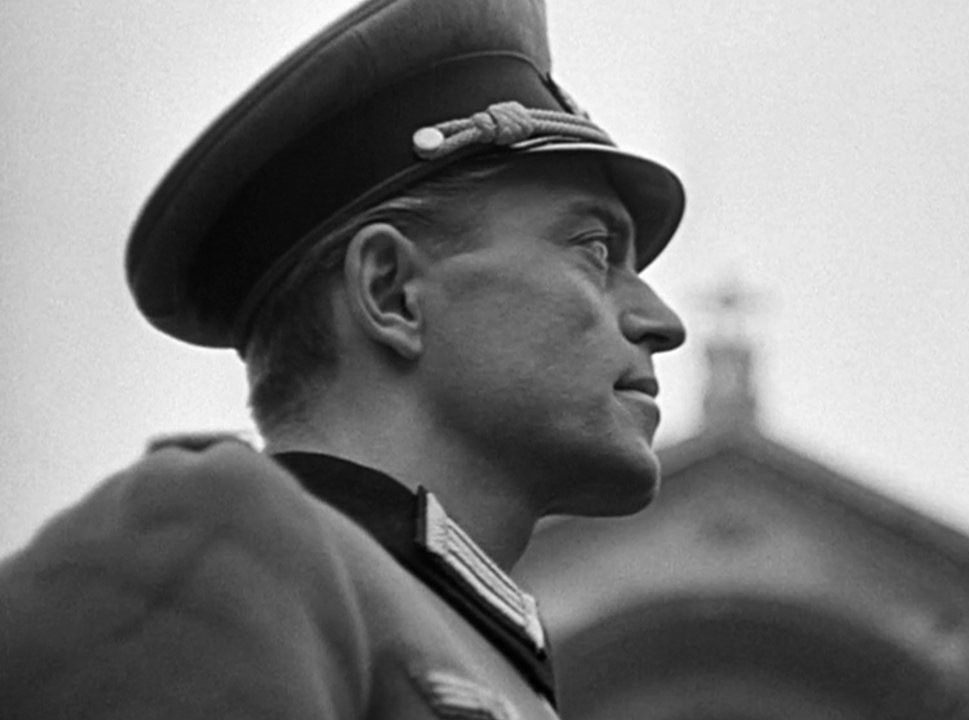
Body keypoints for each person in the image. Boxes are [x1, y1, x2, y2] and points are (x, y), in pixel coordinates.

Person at [0, 1, 685, 718]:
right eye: (594, 250)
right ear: (393, 292)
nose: (662, 323)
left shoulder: (473, 652)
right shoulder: (210, 548)